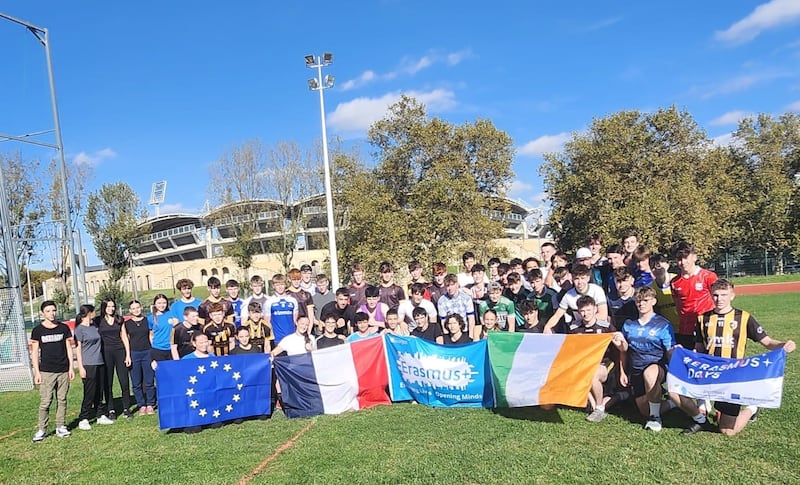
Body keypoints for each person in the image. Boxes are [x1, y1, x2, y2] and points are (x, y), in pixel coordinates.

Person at [684, 279, 796, 436]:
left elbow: (767, 342)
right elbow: (699, 349)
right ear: (710, 295)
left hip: (733, 378)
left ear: (732, 295)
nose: (719, 299)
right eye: (715, 295)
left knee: (727, 431)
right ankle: (712, 411)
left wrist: (783, 345)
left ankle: (752, 407)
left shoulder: (744, 318)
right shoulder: (703, 319)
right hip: (712, 375)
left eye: (724, 295)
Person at [614, 287, 676, 432]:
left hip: (656, 366)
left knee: (650, 373)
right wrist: (622, 372)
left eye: (645, 300)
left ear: (653, 301)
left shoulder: (663, 324)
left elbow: (670, 351)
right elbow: (624, 351)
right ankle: (673, 403)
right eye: (638, 301)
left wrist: (675, 374)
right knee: (644, 410)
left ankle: (655, 418)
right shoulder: (629, 325)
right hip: (636, 369)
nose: (641, 304)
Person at [567, 296, 617, 423]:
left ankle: (599, 408)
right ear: (578, 312)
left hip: (604, 363)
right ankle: (597, 405)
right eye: (582, 311)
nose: (586, 314)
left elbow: (618, 347)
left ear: (595, 309)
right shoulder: (574, 328)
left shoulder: (605, 327)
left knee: (593, 375)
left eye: (589, 310)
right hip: (583, 364)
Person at [31, 300, 75, 442]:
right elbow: (34, 352)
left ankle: (60, 426)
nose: (52, 313)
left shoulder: (63, 328)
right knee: (46, 402)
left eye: (54, 310)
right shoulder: (38, 330)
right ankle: (42, 429)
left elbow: (69, 348)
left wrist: (70, 368)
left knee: (62, 399)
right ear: (43, 313)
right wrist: (37, 372)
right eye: (48, 311)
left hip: (63, 370)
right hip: (46, 371)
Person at [670, 241, 718, 349]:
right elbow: (678, 307)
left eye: (686, 257)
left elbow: (718, 301)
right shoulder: (674, 282)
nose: (683, 262)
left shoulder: (708, 276)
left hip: (706, 327)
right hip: (686, 329)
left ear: (694, 257)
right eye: (679, 259)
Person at [74, 304, 113, 430]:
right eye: (94, 311)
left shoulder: (94, 327)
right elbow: (78, 349)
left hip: (99, 362)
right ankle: (83, 418)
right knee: (89, 392)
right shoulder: (80, 329)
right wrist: (81, 367)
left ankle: (100, 415)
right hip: (88, 364)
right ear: (89, 313)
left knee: (99, 390)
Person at [95, 298, 132, 420]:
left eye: (113, 306)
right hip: (106, 353)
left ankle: (126, 408)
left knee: (124, 381)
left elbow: (124, 337)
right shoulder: (98, 321)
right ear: (104, 307)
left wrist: (127, 354)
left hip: (120, 351)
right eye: (108, 306)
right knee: (108, 382)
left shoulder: (119, 320)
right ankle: (111, 409)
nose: (111, 309)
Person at [544, 265, 608, 333]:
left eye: (582, 278)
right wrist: (547, 326)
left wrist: (586, 319)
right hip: (580, 327)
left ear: (588, 278)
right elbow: (557, 315)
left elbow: (603, 315)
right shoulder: (568, 295)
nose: (580, 282)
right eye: (577, 279)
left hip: (599, 325)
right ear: (572, 278)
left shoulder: (597, 290)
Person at [124, 300, 155, 416]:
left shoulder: (147, 321)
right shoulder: (127, 324)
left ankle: (150, 404)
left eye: (138, 307)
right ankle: (141, 404)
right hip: (134, 353)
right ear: (130, 310)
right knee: (136, 382)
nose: (136, 310)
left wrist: (153, 353)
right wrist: (128, 355)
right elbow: (126, 339)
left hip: (147, 352)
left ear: (141, 308)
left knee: (149, 381)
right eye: (133, 308)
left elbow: (151, 336)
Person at [264, 274, 300, 344]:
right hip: (277, 339)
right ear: (273, 286)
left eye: (282, 284)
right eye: (277, 285)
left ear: (285, 285)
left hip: (291, 338)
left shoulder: (293, 301)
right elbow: (267, 323)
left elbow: (295, 321)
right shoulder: (269, 302)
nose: (280, 287)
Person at [650, 254, 680, 332]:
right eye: (653, 268)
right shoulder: (652, 287)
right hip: (665, 328)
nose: (656, 270)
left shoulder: (677, 280)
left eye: (659, 266)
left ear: (667, 265)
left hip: (682, 325)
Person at [148, 293, 175, 365]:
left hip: (171, 348)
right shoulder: (151, 318)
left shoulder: (172, 314)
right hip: (158, 349)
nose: (162, 305)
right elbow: (151, 334)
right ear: (155, 304)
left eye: (164, 303)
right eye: (159, 303)